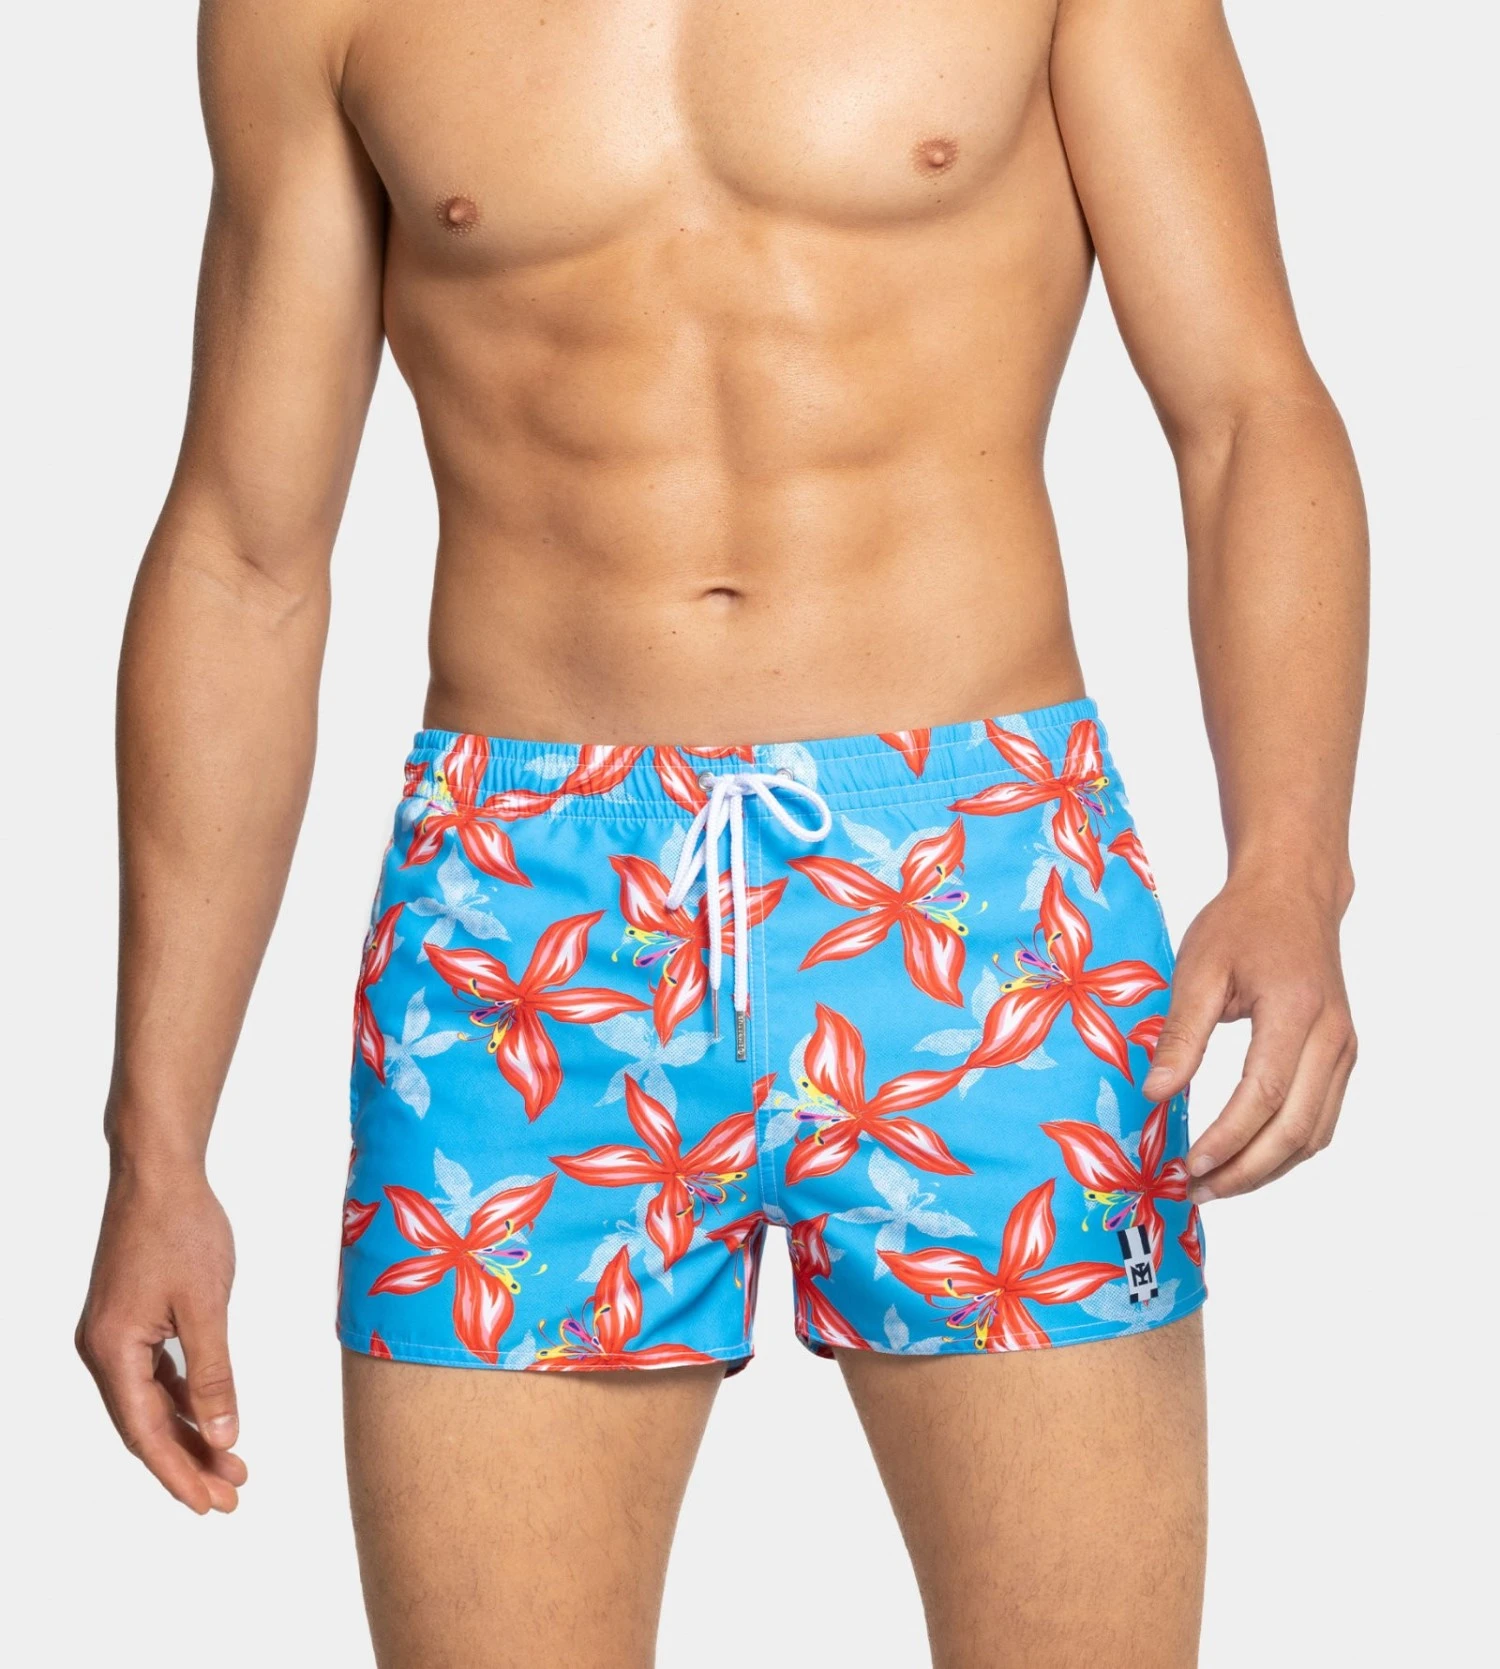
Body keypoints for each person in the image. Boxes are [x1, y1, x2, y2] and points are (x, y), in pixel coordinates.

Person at [76, 0, 1366, 1662]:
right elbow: (246, 556)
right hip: (522, 915)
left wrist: (1292, 865)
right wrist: (156, 1146)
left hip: (981, 891)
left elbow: (1248, 409)